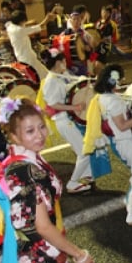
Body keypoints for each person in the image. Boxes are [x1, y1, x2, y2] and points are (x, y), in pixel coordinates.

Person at [0, 97, 102, 263]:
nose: (40, 135)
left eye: (41, 126)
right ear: (13, 136)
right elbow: (42, 226)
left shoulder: (25, 159)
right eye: (30, 131)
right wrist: (79, 253)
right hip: (39, 256)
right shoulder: (25, 171)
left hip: (44, 249)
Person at [83, 64, 132, 226]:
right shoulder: (112, 101)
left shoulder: (103, 97)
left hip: (123, 141)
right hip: (126, 141)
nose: (122, 81)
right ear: (112, 81)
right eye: (119, 79)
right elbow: (123, 125)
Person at [39, 48, 94, 194]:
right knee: (84, 151)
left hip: (68, 118)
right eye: (63, 60)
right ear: (58, 62)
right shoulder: (51, 81)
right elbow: (53, 104)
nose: (65, 63)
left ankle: (86, 175)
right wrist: (74, 106)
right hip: (63, 119)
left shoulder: (61, 75)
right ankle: (72, 183)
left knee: (82, 149)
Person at [6, 9, 53, 81]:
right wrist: (47, 19)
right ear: (21, 21)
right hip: (28, 59)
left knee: (45, 74)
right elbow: (38, 27)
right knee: (43, 77)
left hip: (22, 57)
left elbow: (24, 25)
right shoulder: (19, 30)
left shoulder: (9, 26)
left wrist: (30, 22)